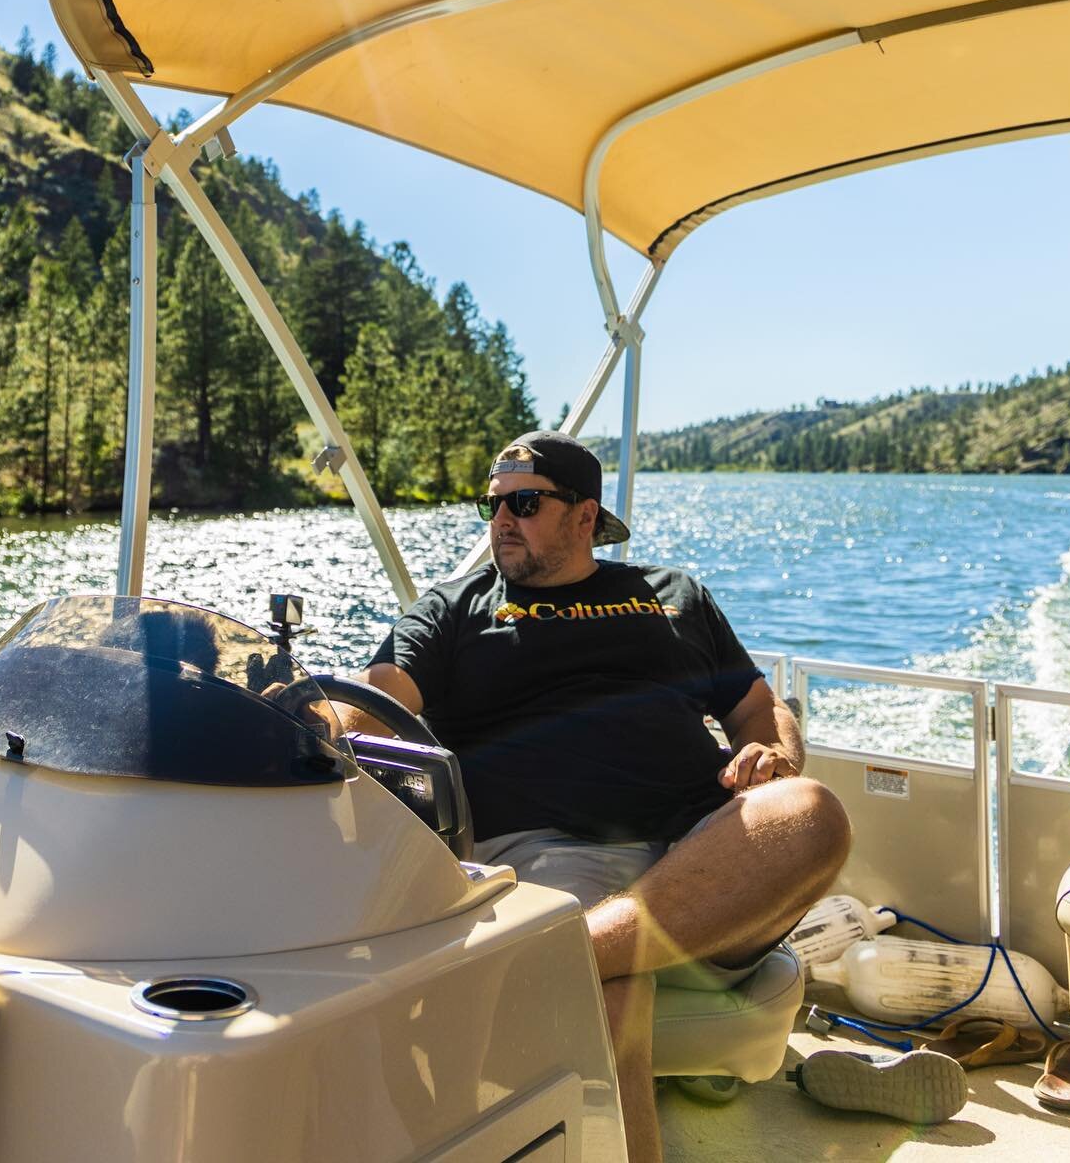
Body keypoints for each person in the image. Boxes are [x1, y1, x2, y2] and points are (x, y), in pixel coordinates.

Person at [350, 431, 851, 1162]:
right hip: (554, 855)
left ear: (586, 518)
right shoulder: (452, 610)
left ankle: (550, 953)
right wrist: (306, 714)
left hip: (703, 851)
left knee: (812, 814)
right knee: (607, 1001)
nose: (501, 521)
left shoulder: (673, 595)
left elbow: (757, 708)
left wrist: (773, 753)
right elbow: (375, 705)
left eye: (524, 502)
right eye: (492, 505)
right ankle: (579, 950)